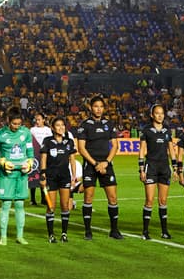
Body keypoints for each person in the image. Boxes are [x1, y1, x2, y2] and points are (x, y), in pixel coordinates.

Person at [76, 95, 123, 240]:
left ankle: (114, 230)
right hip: (90, 166)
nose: (98, 109)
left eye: (101, 106)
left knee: (113, 197)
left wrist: (106, 162)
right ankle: (88, 231)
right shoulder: (84, 125)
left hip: (106, 165)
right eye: (96, 106)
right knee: (88, 197)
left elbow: (115, 145)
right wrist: (95, 164)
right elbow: (81, 148)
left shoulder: (109, 124)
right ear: (91, 107)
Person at [0, 107, 35, 245]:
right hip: (7, 174)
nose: (17, 126)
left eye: (19, 124)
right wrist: (2, 161)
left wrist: (29, 163)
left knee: (20, 204)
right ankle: (3, 236)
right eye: (14, 124)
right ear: (8, 121)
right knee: (5, 205)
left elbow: (30, 152)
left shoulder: (26, 132)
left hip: (21, 174)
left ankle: (19, 236)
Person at [138, 104, 175, 240]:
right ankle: (145, 231)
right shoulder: (146, 130)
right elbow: (142, 150)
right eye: (157, 113)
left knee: (163, 200)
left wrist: (175, 167)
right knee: (149, 200)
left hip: (164, 167)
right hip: (151, 167)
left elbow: (171, 149)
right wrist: (141, 168)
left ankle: (164, 231)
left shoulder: (167, 131)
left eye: (162, 113)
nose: (160, 115)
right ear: (152, 115)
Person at [40, 117, 76, 243]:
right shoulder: (48, 141)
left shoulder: (69, 142)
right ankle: (51, 235)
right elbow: (43, 158)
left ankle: (64, 233)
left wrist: (74, 176)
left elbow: (72, 160)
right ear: (53, 128)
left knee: (65, 206)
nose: (61, 127)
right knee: (51, 206)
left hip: (65, 176)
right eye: (58, 125)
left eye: (63, 125)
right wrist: (43, 175)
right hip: (51, 177)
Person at [28, 112, 51, 206]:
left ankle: (43, 198)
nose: (37, 121)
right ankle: (32, 199)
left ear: (43, 120)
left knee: (43, 176)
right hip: (35, 155)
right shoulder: (32, 130)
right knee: (33, 176)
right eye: (36, 120)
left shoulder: (48, 130)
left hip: (45, 155)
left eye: (39, 119)